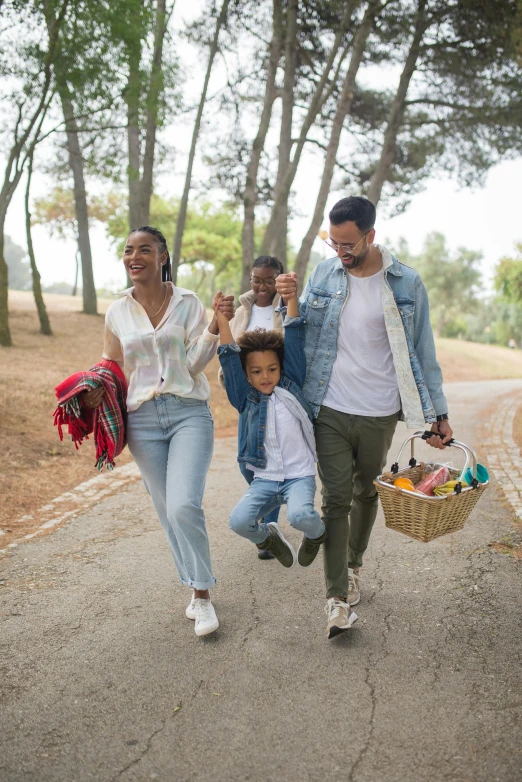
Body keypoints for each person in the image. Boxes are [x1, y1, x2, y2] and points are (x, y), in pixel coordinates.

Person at [276, 196, 454, 639]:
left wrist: (439, 413)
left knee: (366, 491)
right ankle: (336, 599)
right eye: (334, 242)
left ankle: (354, 564)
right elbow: (298, 334)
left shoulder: (406, 283)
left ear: (371, 235)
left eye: (349, 243)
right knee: (335, 498)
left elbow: (424, 353)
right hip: (329, 406)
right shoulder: (323, 273)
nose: (341, 250)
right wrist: (289, 303)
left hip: (379, 411)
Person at [83, 225, 234, 638]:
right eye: (129, 250)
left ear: (162, 257)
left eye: (144, 250)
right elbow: (112, 365)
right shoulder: (117, 311)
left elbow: (196, 363)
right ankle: (193, 588)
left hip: (188, 412)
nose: (135, 257)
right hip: (143, 422)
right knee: (169, 513)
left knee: (185, 505)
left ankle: (203, 597)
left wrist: (217, 327)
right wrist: (95, 390)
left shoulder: (188, 302)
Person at [216, 288, 329, 579]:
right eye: (256, 372)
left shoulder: (291, 383)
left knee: (301, 516)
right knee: (239, 522)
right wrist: (221, 320)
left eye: (271, 369)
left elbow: (293, 335)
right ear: (246, 375)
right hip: (266, 478)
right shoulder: (245, 397)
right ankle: (268, 538)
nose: (265, 377)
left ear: (281, 367)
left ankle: (316, 536)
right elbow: (229, 358)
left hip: (298, 475)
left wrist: (291, 298)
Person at [219, 255, 285, 561]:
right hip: (248, 394)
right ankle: (271, 509)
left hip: (279, 392)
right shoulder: (243, 308)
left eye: (268, 280)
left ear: (278, 280)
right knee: (247, 463)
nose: (262, 286)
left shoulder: (283, 308)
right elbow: (229, 340)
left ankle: (269, 527)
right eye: (256, 279)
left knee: (269, 459)